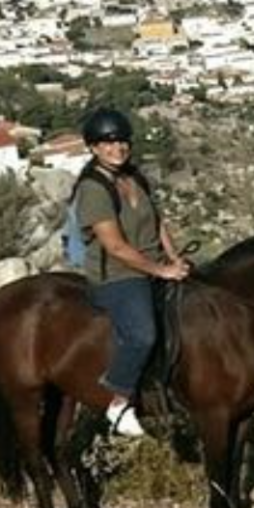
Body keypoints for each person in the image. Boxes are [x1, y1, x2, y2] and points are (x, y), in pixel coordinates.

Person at [72, 107, 190, 438]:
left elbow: (158, 223)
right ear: (94, 148)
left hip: (154, 264)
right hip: (118, 275)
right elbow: (115, 247)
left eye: (122, 141)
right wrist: (161, 271)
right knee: (142, 334)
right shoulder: (93, 189)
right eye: (108, 143)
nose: (118, 148)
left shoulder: (135, 177)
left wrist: (176, 259)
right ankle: (119, 401)